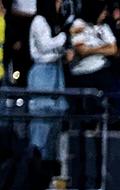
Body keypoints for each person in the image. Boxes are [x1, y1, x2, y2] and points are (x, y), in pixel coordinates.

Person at [27, 0, 70, 167]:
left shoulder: (54, 22)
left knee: (55, 116)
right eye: (57, 1)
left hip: (55, 70)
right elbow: (45, 46)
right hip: (42, 72)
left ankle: (50, 163)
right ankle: (36, 161)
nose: (60, 5)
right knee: (41, 116)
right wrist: (65, 35)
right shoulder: (38, 20)